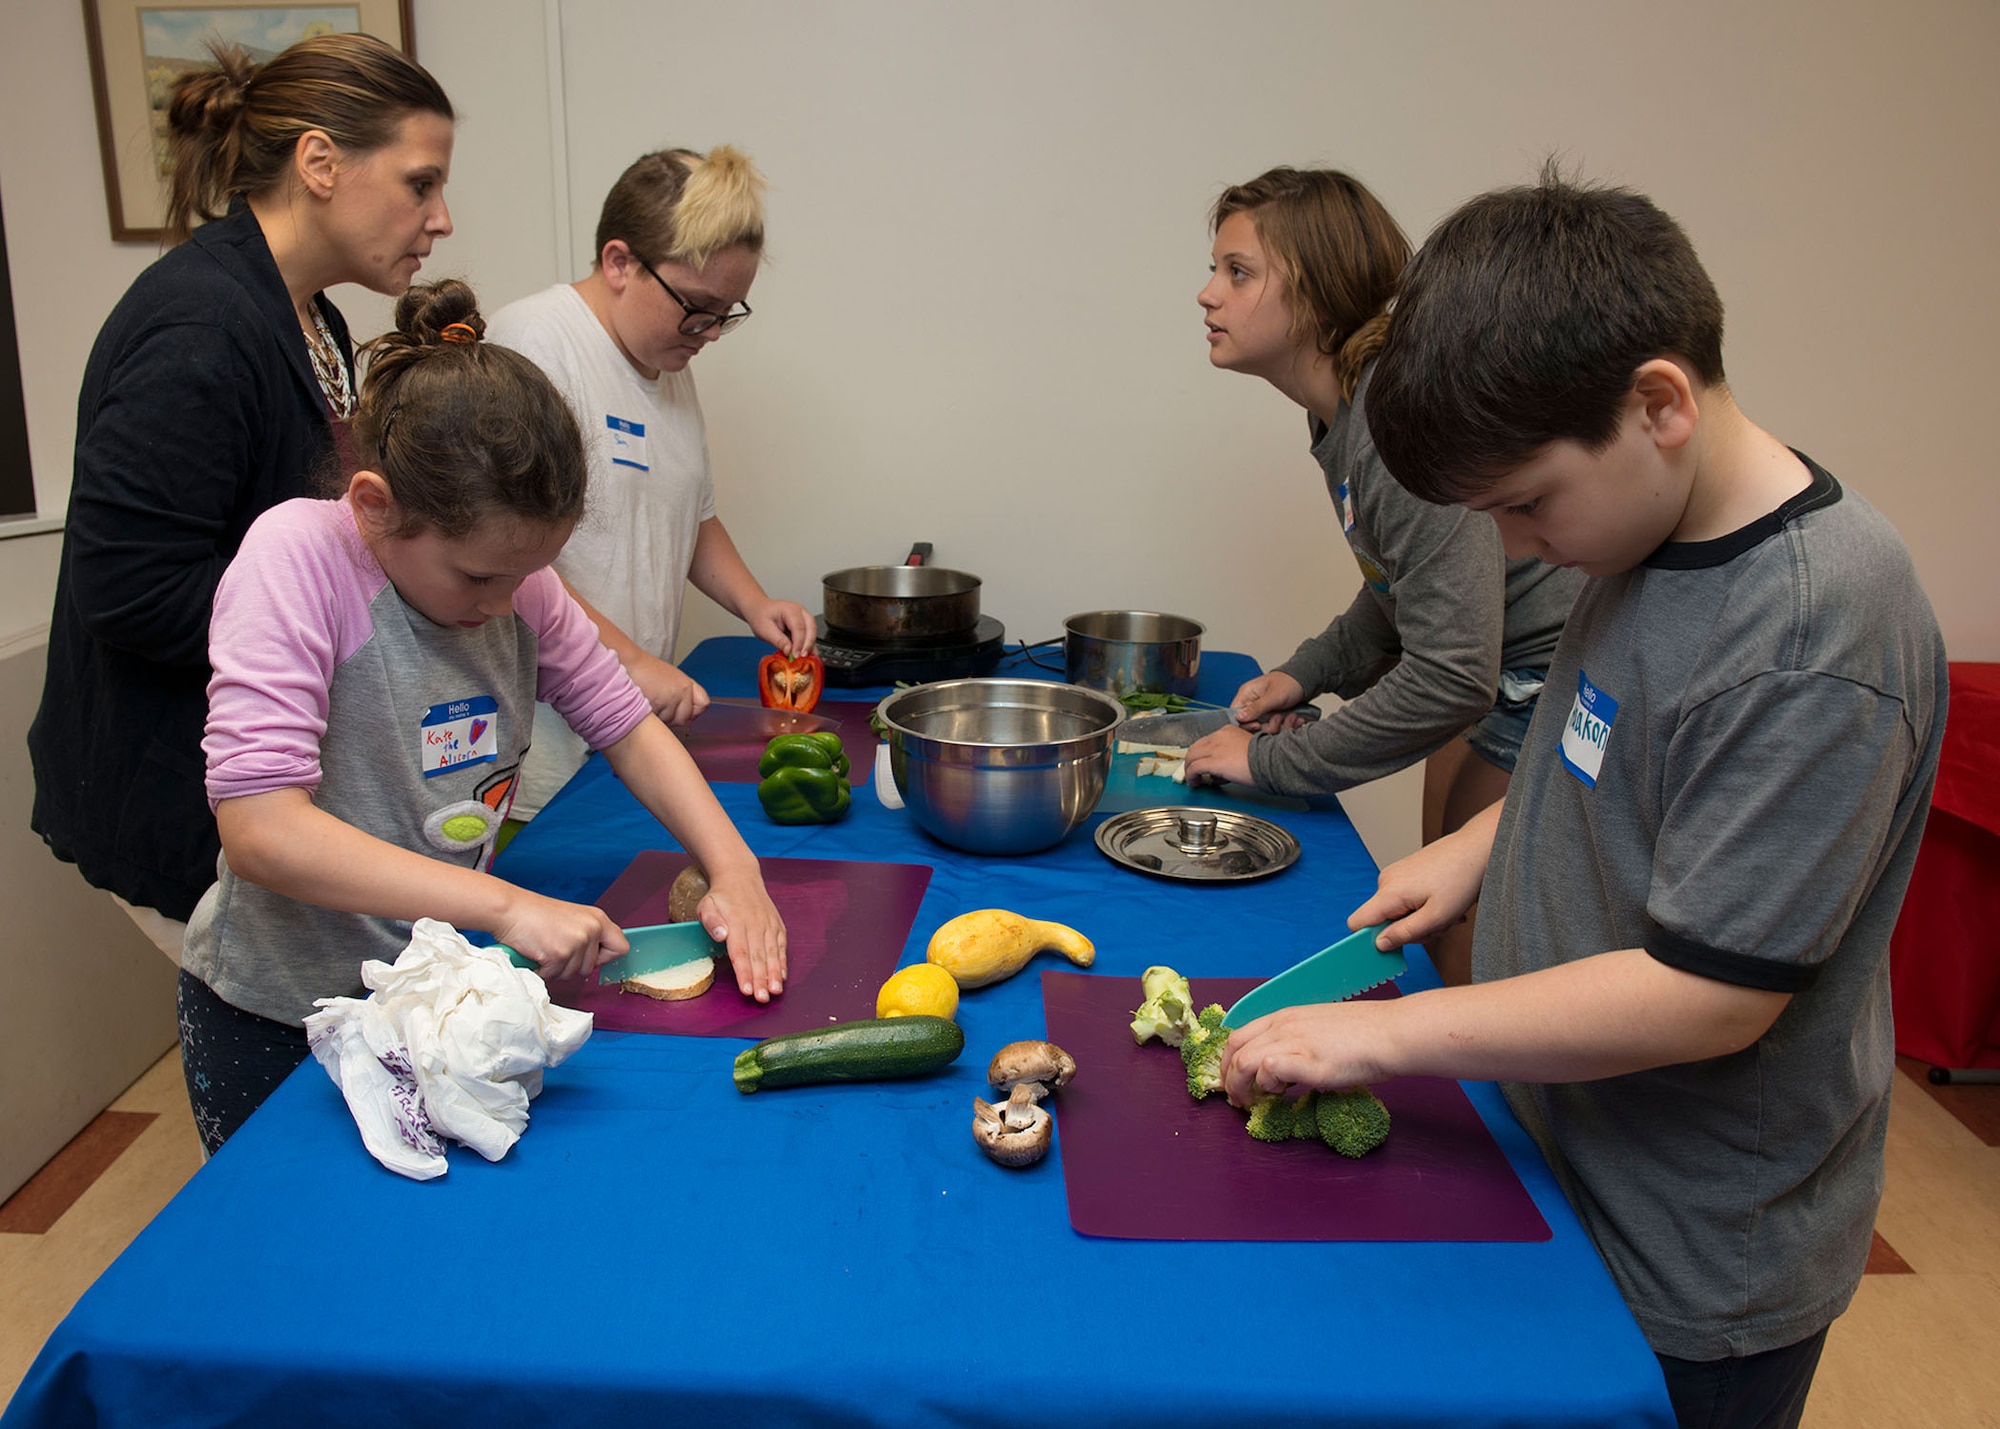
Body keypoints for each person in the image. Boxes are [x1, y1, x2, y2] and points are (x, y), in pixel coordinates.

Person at [1219, 169, 1947, 1429]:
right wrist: (1483, 848)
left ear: (1657, 402)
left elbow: (1708, 993)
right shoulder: (1640, 538)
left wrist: (1384, 1036)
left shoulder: (1812, 632)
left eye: (1523, 503)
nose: (1508, 547)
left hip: (1687, 1257)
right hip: (1559, 1154)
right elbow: (1603, 763)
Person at [181, 279, 788, 1154]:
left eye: (528, 575)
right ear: (375, 507)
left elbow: (628, 726)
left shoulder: (521, 585)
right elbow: (262, 830)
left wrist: (734, 867)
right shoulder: (295, 560)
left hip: (433, 999)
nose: (508, 604)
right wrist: (504, 905)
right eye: (477, 578)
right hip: (280, 1014)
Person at [28, 33, 456, 961]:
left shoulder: (316, 315)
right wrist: (340, 635)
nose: (443, 218)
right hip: (183, 791)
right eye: (421, 183)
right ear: (320, 164)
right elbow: (129, 588)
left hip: (266, 772)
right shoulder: (199, 328)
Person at [1183, 167, 1582, 985]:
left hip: (1540, 678)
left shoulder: (1397, 419)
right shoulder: (1346, 413)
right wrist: (1309, 671)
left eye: (1238, 271)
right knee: (1436, 924)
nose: (1207, 294)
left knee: (1467, 943)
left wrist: (1268, 765)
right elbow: (1403, 584)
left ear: (1319, 293)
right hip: (1497, 670)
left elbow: (1449, 673)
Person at [487, 145, 815, 824]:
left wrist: (755, 604)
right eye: (697, 307)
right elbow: (505, 558)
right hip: (542, 744)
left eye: (728, 311)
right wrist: (629, 659)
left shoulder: (668, 361)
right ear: (619, 262)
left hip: (624, 724)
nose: (712, 333)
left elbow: (691, 515)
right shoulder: (534, 346)